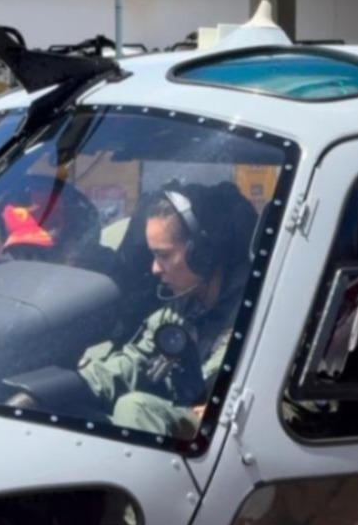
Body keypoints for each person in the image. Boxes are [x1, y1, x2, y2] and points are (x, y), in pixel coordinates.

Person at [75, 182, 253, 438]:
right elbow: (134, 362)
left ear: (202, 253)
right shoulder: (181, 310)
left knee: (135, 408)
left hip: (232, 440)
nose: (155, 269)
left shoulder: (257, 316)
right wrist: (71, 385)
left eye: (164, 255)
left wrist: (227, 409)